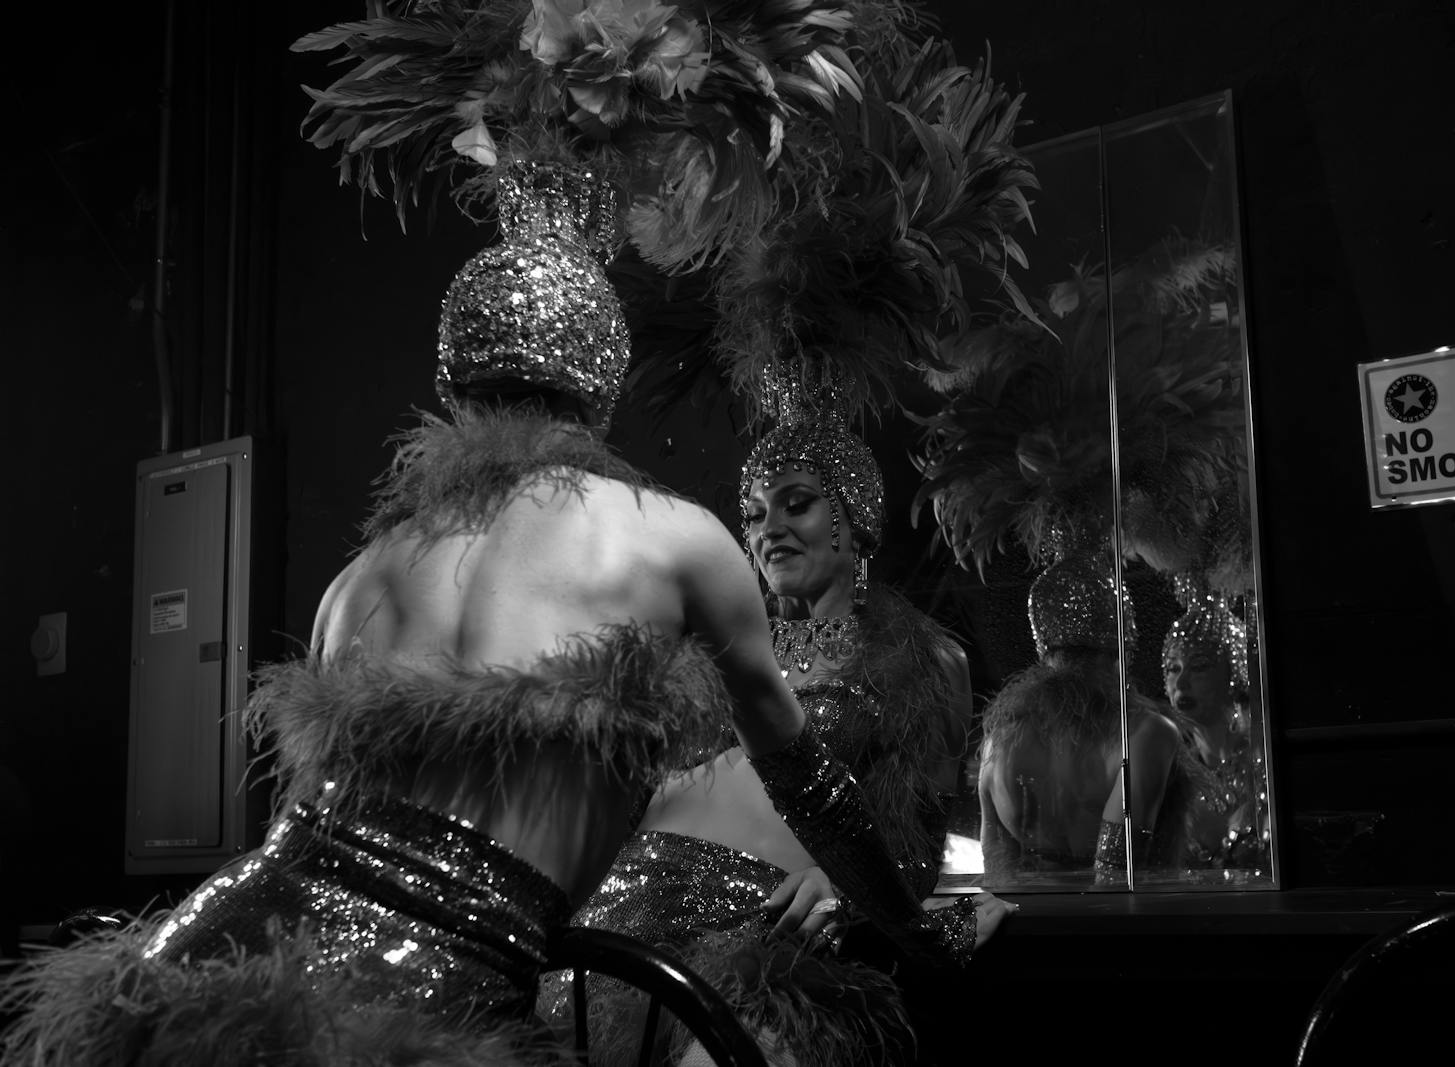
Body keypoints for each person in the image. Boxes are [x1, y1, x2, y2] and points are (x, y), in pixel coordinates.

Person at [0, 152, 939, 1063]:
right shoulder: (679, 540)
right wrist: (917, 932)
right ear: (602, 387)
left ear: (451, 387)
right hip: (416, 1008)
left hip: (206, 957)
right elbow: (809, 789)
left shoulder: (361, 575)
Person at [546, 390, 1014, 1066]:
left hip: (758, 940)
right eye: (755, 514)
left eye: (797, 503)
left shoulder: (926, 659)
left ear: (853, 521)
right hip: (624, 913)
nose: (769, 529)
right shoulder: (716, 647)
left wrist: (845, 886)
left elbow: (916, 838)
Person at [977, 549, 1194, 885]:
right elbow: (1116, 876)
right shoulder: (1144, 734)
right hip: (1109, 928)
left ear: (1044, 650)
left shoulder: (999, 740)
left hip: (1024, 928)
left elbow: (997, 873)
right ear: (1122, 649)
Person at [1161, 587, 1268, 875]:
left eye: (1199, 667)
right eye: (1173, 668)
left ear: (1234, 674)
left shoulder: (1265, 764)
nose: (1181, 683)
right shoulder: (1170, 774)